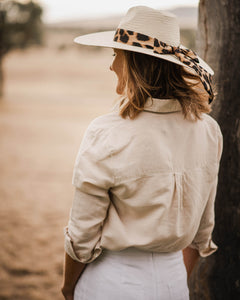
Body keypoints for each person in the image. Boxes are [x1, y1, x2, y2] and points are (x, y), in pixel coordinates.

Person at [61, 6, 223, 300]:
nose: (111, 66)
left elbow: (82, 237)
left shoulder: (107, 132)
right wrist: (169, 279)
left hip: (112, 282)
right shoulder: (208, 130)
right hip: (175, 282)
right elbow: (202, 232)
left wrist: (69, 287)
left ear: (134, 62)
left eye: (116, 55)